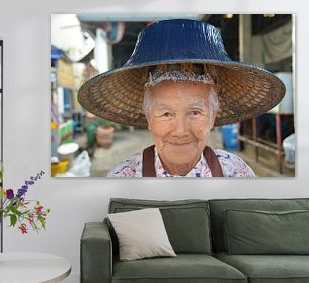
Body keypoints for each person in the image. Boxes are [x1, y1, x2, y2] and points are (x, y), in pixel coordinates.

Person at [77, 19, 285, 177]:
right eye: (166, 113)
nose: (180, 131)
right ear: (148, 117)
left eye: (195, 112)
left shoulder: (237, 174)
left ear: (213, 115)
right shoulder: (122, 179)